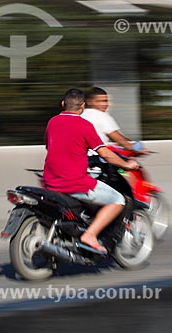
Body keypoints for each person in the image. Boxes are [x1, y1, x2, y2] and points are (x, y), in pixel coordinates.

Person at [43, 88, 139, 254]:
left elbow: (48, 145)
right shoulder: (85, 125)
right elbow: (106, 154)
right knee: (118, 200)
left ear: (63, 104)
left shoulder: (52, 122)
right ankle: (90, 235)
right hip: (76, 184)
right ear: (83, 106)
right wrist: (127, 165)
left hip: (50, 182)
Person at [82, 87, 148, 153]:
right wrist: (135, 148)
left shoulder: (81, 114)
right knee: (130, 163)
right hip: (96, 158)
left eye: (106, 101)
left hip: (80, 157)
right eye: (100, 101)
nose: (105, 104)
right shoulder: (101, 115)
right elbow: (118, 138)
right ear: (89, 102)